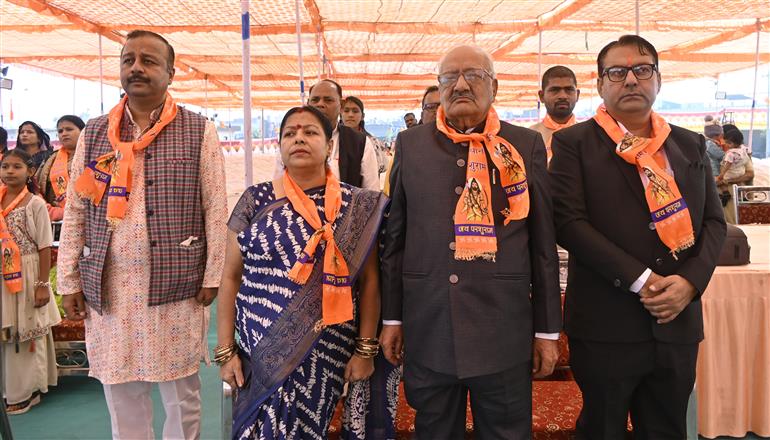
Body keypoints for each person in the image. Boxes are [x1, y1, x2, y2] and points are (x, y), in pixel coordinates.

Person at [549, 35, 726, 439]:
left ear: (658, 80)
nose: (631, 80)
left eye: (642, 70)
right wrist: (642, 280)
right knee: (602, 429)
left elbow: (714, 223)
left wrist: (689, 283)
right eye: (617, 72)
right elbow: (568, 222)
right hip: (606, 324)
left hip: (677, 321)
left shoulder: (689, 144)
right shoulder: (574, 143)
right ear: (600, 84)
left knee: (667, 429)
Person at [380, 45, 562, 439]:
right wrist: (392, 318)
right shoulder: (411, 145)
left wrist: (547, 332)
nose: (460, 85)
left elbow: (542, 245)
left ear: (494, 87)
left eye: (474, 75)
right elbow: (396, 242)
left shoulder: (524, 145)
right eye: (450, 77)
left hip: (503, 331)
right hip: (429, 327)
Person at [57, 30, 227, 439]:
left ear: (170, 73)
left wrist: (212, 274)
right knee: (121, 390)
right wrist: (68, 280)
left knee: (180, 392)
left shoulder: (198, 130)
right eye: (128, 59)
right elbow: (77, 209)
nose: (136, 68)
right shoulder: (96, 132)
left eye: (148, 61)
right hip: (110, 285)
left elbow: (215, 206)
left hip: (176, 281)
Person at [218, 105, 388, 439]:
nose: (299, 138)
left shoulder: (357, 206)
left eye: (310, 132)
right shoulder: (255, 200)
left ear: (329, 146)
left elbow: (370, 282)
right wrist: (226, 352)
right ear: (280, 146)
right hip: (260, 352)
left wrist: (365, 350)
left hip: (325, 353)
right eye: (289, 133)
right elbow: (230, 276)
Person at [0, 149, 60, 415]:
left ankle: (26, 391)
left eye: (16, 167)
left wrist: (42, 285)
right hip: (3, 273)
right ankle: (8, 389)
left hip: (28, 271)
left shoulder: (35, 203)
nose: (9, 171)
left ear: (30, 172)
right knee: (6, 332)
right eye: (5, 166)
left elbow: (45, 246)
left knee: (25, 333)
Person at [274, 80, 380, 191]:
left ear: (341, 105)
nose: (320, 104)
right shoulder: (291, 141)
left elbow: (372, 192)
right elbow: (278, 189)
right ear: (308, 103)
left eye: (328, 100)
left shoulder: (360, 142)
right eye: (315, 100)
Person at [35, 115, 85, 221]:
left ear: (83, 131)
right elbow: (35, 187)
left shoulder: (92, 157)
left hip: (85, 217)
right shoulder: (51, 159)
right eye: (60, 131)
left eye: (69, 129)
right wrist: (50, 211)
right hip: (53, 219)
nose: (64, 133)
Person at [530, 66, 580, 164]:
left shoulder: (590, 136)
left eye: (569, 89)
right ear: (541, 96)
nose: (563, 96)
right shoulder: (530, 136)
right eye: (555, 90)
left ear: (577, 95)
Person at [342, 96, 389, 174]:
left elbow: (379, 170)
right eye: (346, 111)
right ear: (341, 114)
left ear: (362, 116)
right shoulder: (333, 139)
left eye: (355, 111)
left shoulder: (372, 141)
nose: (350, 115)